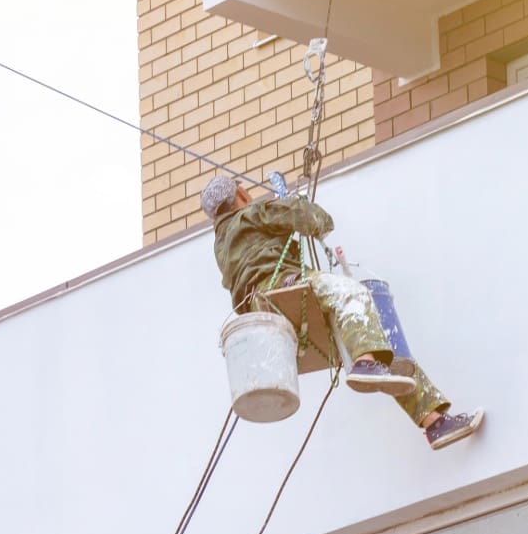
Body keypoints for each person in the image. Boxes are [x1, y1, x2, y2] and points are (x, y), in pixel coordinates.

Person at [201, 174, 485, 450]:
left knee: (384, 348)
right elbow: (318, 221)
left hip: (265, 313)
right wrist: (290, 203)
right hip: (278, 287)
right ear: (240, 195)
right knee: (353, 294)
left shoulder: (222, 242)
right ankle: (366, 362)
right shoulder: (252, 214)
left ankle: (433, 420)